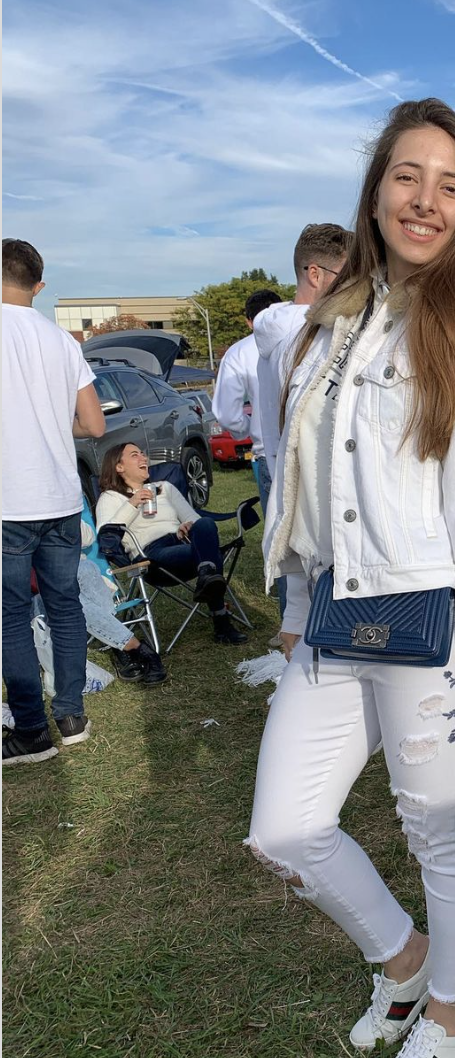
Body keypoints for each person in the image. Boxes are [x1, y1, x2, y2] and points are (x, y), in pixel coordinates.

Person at [246, 99, 455, 1058]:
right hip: (329, 608)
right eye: (409, 176)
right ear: (374, 192)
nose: (428, 201)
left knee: (437, 831)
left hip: (425, 612)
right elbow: (296, 483)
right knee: (282, 829)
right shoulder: (320, 325)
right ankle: (405, 964)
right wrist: (291, 605)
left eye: (452, 185)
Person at [2, 238, 106, 766]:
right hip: (61, 497)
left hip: (8, 503)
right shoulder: (61, 340)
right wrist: (46, 425)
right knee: (65, 605)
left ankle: (30, 730)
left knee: (11, 615)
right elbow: (93, 425)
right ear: (39, 286)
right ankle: (70, 713)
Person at [253, 223, 352, 639]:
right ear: (316, 275)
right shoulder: (311, 331)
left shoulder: (271, 332)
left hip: (279, 464)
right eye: (350, 276)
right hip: (316, 474)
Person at [95, 443, 247, 645]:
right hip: (153, 554)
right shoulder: (110, 498)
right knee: (209, 558)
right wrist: (133, 503)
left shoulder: (164, 488)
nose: (143, 458)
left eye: (142, 453)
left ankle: (207, 575)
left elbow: (193, 518)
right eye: (134, 455)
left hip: (183, 541)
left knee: (205, 525)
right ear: (119, 467)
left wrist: (186, 526)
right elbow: (106, 534)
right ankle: (221, 621)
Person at [211, 288, 283, 515]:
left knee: (278, 534)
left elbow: (227, 414)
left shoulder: (239, 352)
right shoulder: (311, 336)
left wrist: (248, 427)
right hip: (312, 445)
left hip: (269, 450)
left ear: (249, 322)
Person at [77, 521, 167, 685]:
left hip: (78, 571)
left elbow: (87, 538)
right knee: (71, 596)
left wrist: (66, 517)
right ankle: (134, 647)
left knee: (87, 568)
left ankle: (120, 646)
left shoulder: (59, 506)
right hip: (44, 579)